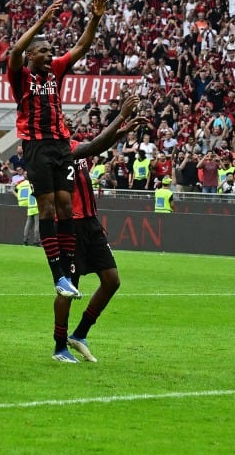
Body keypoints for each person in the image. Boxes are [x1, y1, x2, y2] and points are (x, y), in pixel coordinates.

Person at [7, 0, 107, 299]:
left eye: (52, 51)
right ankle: (57, 275)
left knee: (66, 207)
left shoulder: (56, 71)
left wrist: (95, 19)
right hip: (36, 146)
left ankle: (66, 270)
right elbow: (15, 51)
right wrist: (42, 20)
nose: (51, 55)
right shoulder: (20, 76)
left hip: (61, 144)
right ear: (31, 55)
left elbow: (81, 47)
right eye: (45, 51)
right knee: (47, 207)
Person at [54, 94, 150, 364]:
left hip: (91, 223)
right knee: (69, 289)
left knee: (111, 280)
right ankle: (59, 346)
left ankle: (80, 334)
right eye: (60, 121)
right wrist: (120, 117)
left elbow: (96, 146)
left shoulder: (75, 146)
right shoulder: (56, 153)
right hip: (69, 226)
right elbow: (95, 145)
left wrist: (122, 131)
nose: (66, 123)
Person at [16, 176, 39, 246]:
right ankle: (36, 241)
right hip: (36, 205)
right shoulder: (35, 184)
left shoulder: (23, 184)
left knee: (28, 224)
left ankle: (25, 240)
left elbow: (16, 188)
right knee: (37, 225)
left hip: (30, 206)